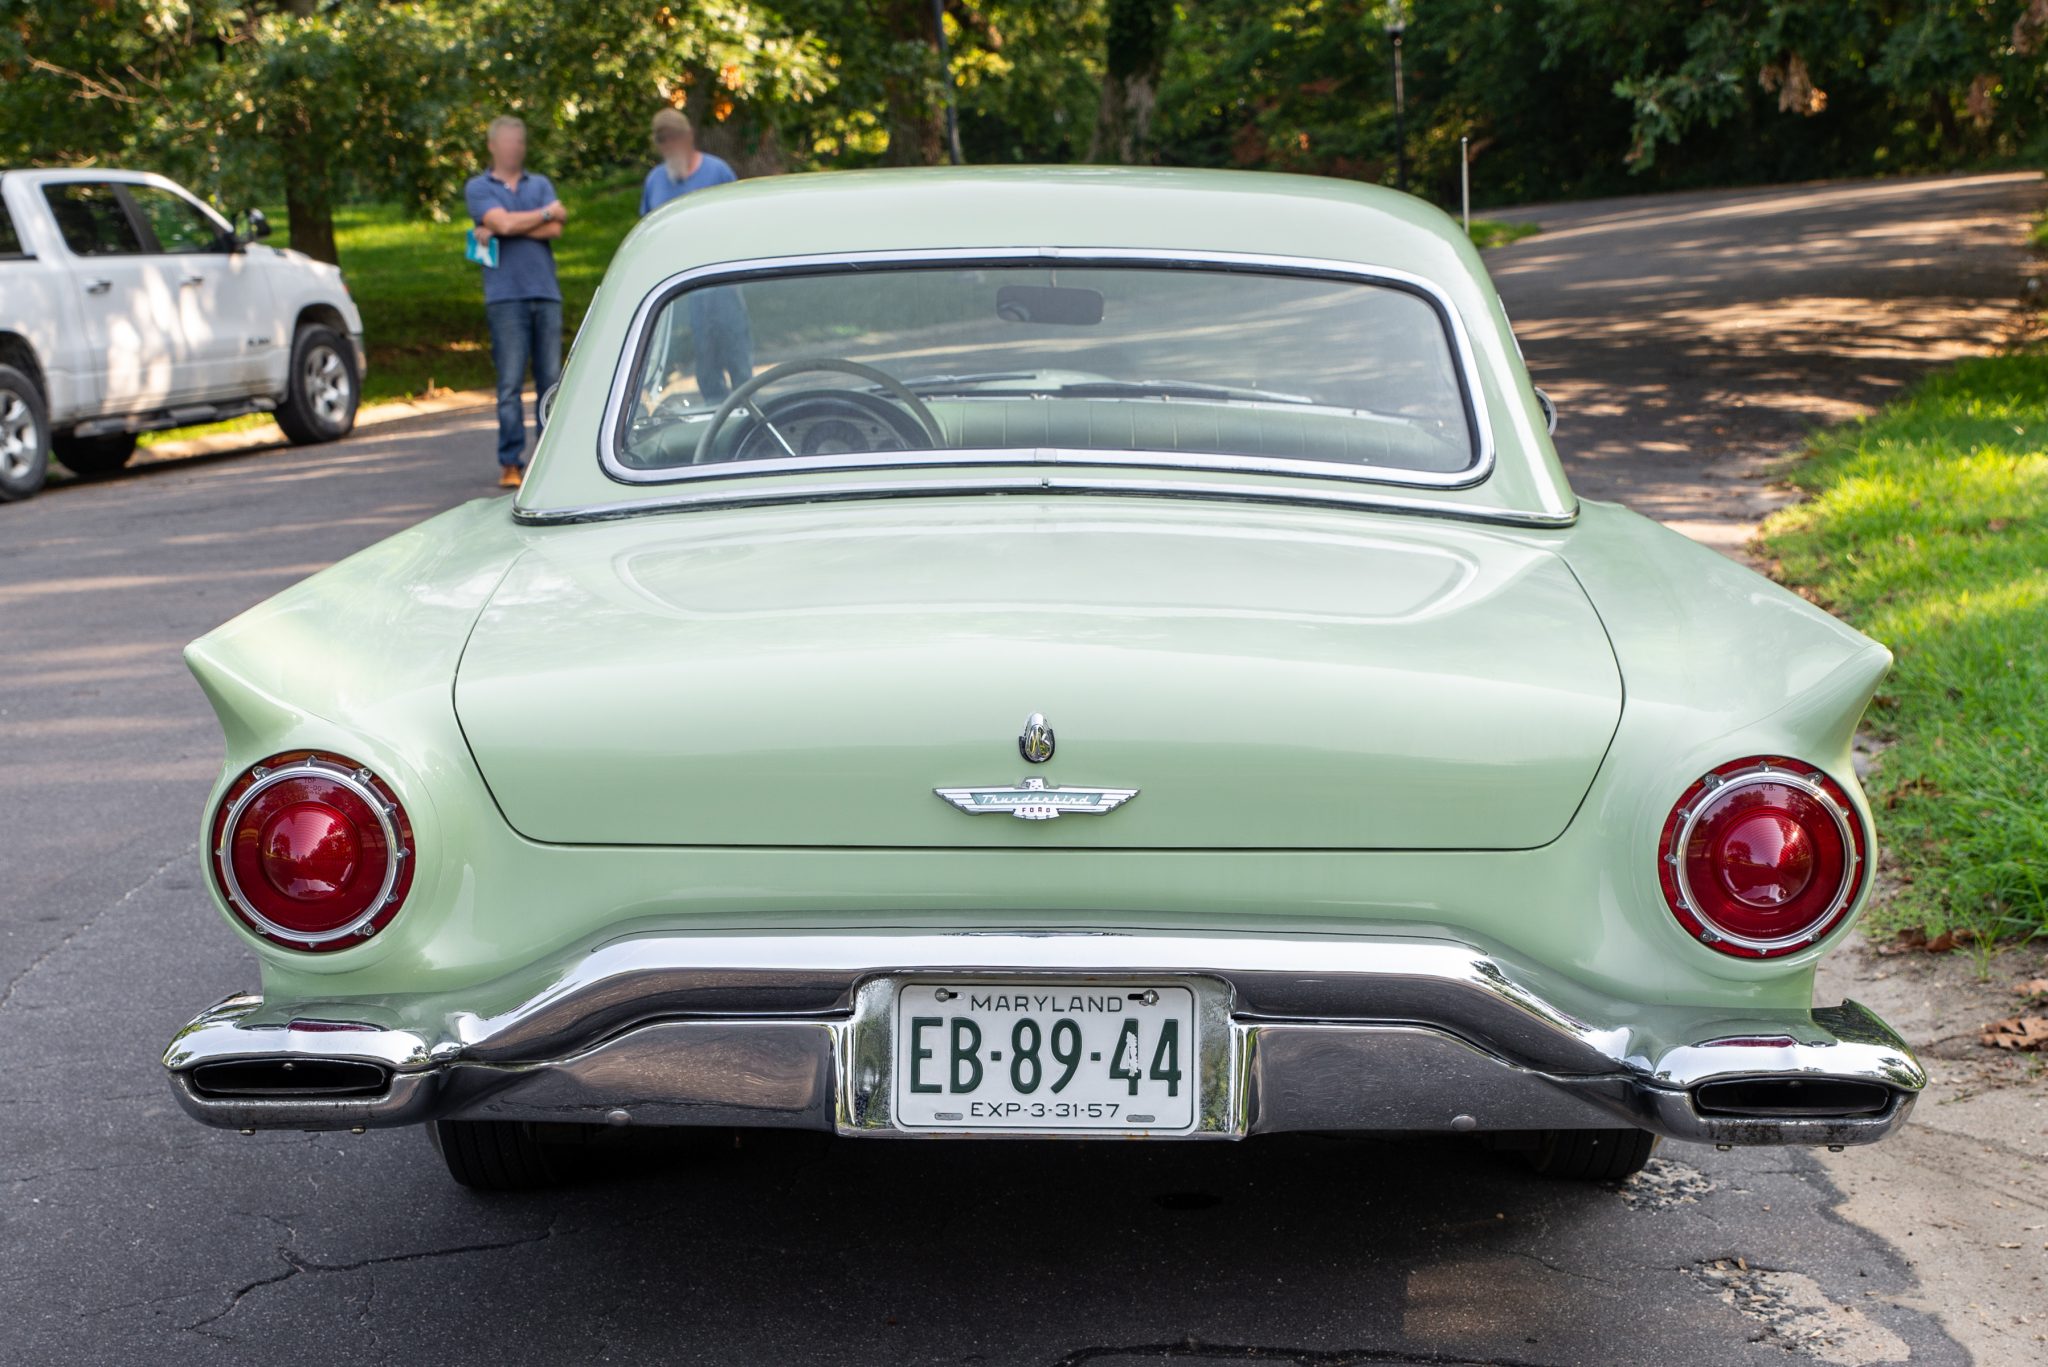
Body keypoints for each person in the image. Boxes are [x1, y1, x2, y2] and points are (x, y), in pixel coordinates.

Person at [464, 115, 566, 488]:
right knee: (509, 383)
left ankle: (548, 458)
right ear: (493, 146)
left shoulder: (538, 183)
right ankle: (511, 462)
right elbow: (509, 224)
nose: (514, 149)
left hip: (546, 293)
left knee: (550, 381)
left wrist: (510, 223)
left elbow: (559, 224)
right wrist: (539, 216)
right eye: (508, 142)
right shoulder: (478, 187)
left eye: (519, 143)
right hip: (505, 297)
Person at [640, 108, 753, 402]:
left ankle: (747, 411)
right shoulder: (655, 181)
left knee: (736, 351)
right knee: (704, 360)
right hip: (678, 288)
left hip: (723, 280)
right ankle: (714, 412)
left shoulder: (717, 171)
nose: (669, 145)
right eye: (662, 140)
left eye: (673, 138)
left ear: (688, 137)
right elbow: (648, 233)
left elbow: (740, 222)